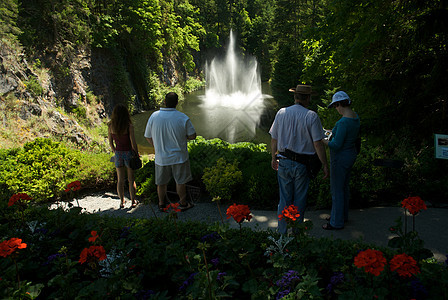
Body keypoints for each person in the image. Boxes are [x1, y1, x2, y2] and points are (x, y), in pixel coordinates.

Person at [269, 84, 329, 234]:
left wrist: (273, 157)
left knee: (284, 200)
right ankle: (296, 234)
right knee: (299, 200)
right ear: (308, 98)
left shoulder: (281, 113)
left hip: (283, 162)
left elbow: (274, 138)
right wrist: (325, 164)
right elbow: (317, 144)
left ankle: (282, 234)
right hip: (302, 164)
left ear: (295, 97)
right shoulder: (311, 116)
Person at [144, 92, 197, 212]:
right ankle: (183, 204)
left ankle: (161, 204)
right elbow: (192, 136)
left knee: (161, 183)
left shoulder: (154, 116)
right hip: (179, 157)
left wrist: (156, 147)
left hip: (161, 158)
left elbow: (147, 136)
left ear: (164, 102)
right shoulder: (182, 117)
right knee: (181, 182)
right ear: (177, 103)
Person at [322, 91, 360, 230]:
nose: (336, 109)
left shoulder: (343, 121)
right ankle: (342, 216)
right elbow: (346, 135)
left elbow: (336, 145)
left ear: (339, 104)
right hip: (350, 155)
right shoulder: (355, 117)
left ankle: (336, 223)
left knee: (337, 190)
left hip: (340, 158)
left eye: (335, 106)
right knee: (344, 187)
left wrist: (323, 140)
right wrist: (330, 131)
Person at [108, 103, 139, 209]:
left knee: (120, 180)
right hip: (129, 153)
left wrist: (115, 151)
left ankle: (122, 202)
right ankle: (133, 201)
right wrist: (136, 153)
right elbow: (133, 142)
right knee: (131, 179)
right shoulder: (129, 126)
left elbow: (111, 142)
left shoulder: (111, 126)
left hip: (118, 153)